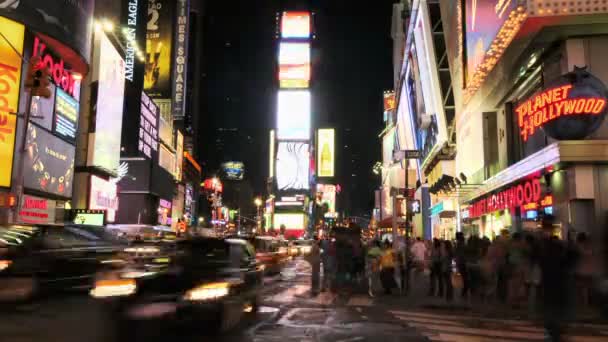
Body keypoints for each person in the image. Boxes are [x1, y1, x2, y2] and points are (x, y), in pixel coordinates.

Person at [539, 222, 579, 341]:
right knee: (558, 315)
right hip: (560, 287)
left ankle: (554, 333)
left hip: (550, 287)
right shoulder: (560, 253)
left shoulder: (544, 253)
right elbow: (572, 258)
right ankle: (557, 333)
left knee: (551, 315)